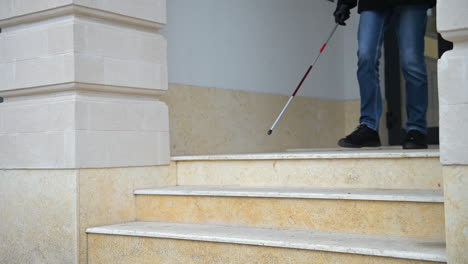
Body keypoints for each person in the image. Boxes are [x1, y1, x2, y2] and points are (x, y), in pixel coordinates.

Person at [334, 0, 436, 149]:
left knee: (411, 62)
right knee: (365, 57)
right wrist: (345, 2)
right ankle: (369, 127)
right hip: (373, 3)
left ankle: (417, 129)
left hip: (413, 2)